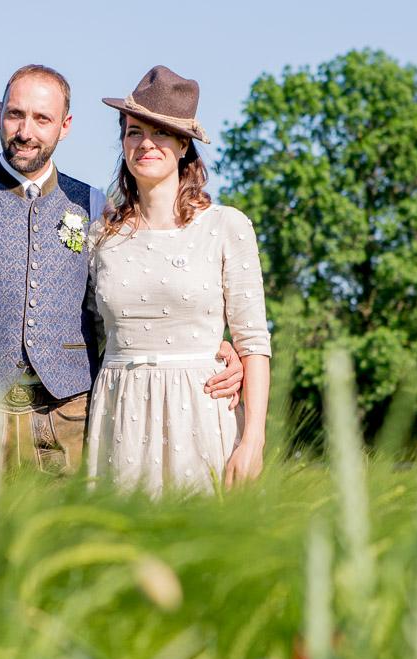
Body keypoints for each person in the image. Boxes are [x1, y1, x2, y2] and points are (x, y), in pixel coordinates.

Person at [0, 64, 243, 472]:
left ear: (65, 126)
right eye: (15, 114)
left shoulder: (94, 204)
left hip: (68, 426)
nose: (26, 131)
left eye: (42, 119)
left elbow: (135, 299)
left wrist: (211, 349)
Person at [85, 66, 271, 495]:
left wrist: (253, 440)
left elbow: (253, 342)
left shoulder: (226, 227)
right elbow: (90, 334)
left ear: (184, 143)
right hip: (120, 414)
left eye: (161, 133)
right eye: (134, 132)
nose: (145, 143)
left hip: (203, 413)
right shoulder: (100, 235)